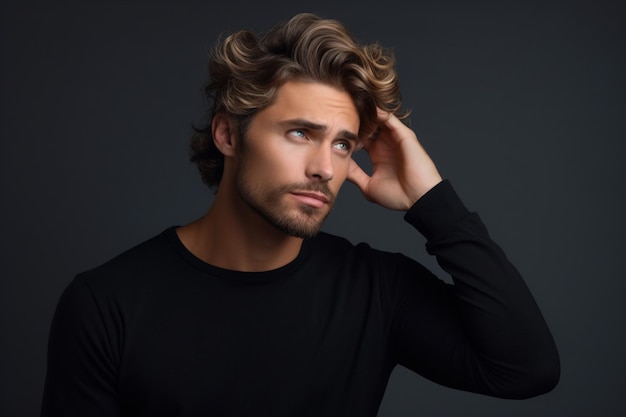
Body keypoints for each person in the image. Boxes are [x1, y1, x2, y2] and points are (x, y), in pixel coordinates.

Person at [40, 12, 560, 417]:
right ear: (227, 134)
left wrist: (433, 202)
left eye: (342, 144)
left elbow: (526, 369)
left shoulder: (375, 290)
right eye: (299, 133)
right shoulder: (106, 304)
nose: (325, 168)